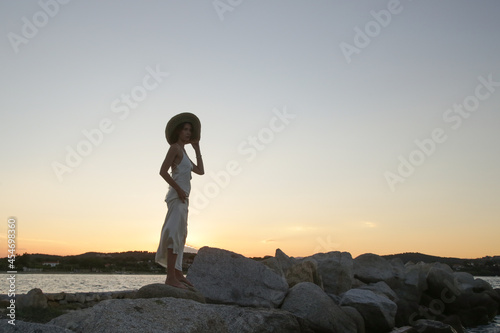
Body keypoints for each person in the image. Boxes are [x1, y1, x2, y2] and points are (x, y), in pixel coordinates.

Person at [155, 113, 204, 289]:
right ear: (178, 131)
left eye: (190, 130)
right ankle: (170, 277)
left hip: (184, 198)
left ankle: (178, 273)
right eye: (185, 129)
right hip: (177, 197)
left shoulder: (184, 152)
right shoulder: (174, 148)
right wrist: (178, 189)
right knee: (174, 232)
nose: (188, 133)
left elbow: (200, 170)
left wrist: (197, 148)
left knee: (182, 234)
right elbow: (162, 171)